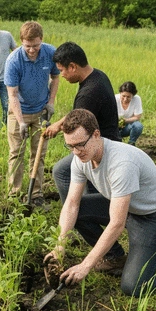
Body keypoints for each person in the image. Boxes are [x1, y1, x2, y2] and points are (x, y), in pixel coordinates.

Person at [44, 109, 156, 296]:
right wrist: (60, 244)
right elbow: (72, 203)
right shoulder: (80, 158)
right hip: (123, 205)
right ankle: (115, 257)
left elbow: (116, 224)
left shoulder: (122, 164)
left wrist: (85, 266)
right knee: (78, 212)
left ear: (96, 134)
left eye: (80, 145)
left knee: (134, 287)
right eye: (70, 146)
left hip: (150, 216)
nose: (76, 152)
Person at [44, 41, 121, 203]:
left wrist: (59, 126)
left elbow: (76, 124)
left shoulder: (89, 93)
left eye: (62, 70)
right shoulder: (98, 76)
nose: (61, 75)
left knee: (61, 171)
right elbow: (81, 111)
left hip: (101, 145)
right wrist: (57, 124)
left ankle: (76, 212)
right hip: (106, 140)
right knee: (92, 183)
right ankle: (94, 212)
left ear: (72, 66)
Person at [4, 20, 59, 205]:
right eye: (28, 46)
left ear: (41, 40)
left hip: (41, 111)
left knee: (39, 154)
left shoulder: (50, 52)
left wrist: (50, 103)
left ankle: (35, 194)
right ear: (21, 42)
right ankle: (14, 194)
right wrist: (20, 122)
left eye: (36, 45)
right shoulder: (13, 61)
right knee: (16, 154)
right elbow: (12, 94)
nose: (32, 49)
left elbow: (56, 76)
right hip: (18, 111)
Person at [116, 81, 143, 146]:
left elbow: (137, 117)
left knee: (138, 126)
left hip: (127, 126)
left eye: (128, 97)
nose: (125, 99)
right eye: (123, 96)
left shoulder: (137, 99)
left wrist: (125, 120)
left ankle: (131, 143)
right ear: (120, 93)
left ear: (133, 96)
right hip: (114, 127)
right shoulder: (114, 99)